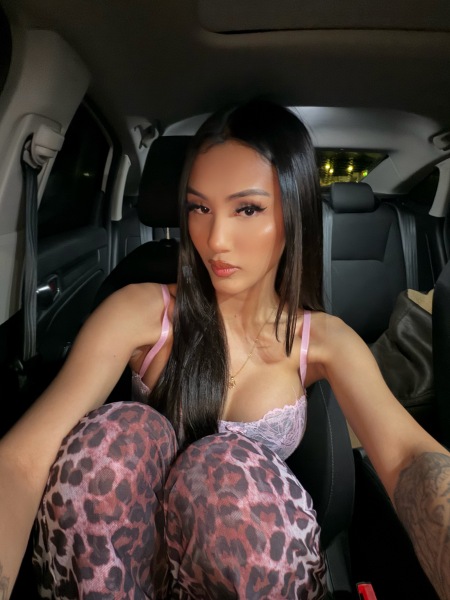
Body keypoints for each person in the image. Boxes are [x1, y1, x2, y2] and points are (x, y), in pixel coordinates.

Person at [0, 99, 449, 600]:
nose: (215, 240)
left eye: (247, 209)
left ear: (293, 213)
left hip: (244, 572)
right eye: (199, 208)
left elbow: (406, 455)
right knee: (119, 435)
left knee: (223, 472)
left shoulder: (322, 340)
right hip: (128, 573)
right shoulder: (140, 312)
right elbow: (24, 458)